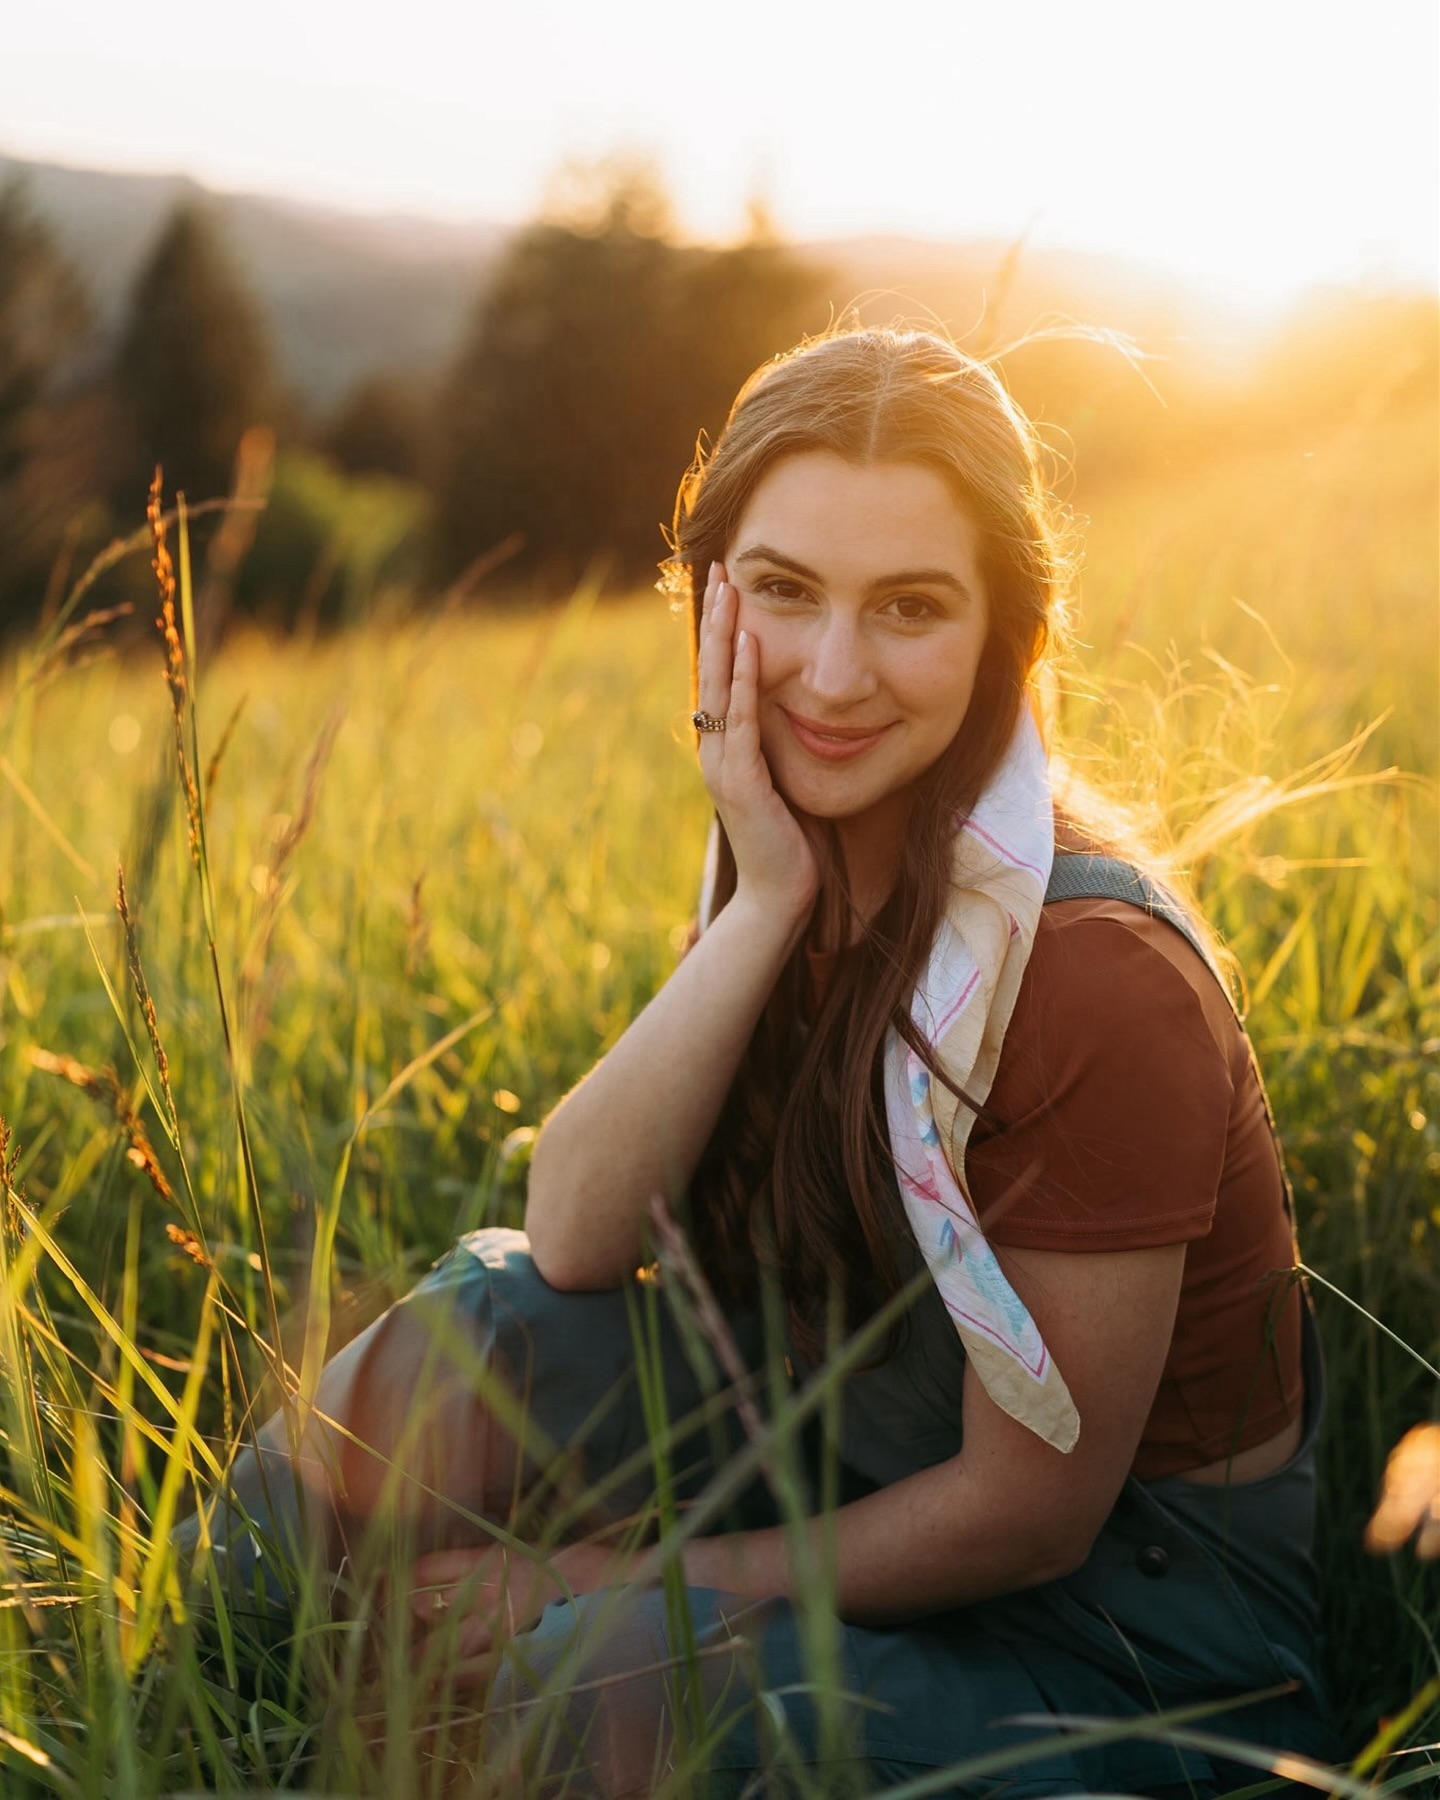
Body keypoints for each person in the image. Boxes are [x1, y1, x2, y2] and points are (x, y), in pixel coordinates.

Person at [180, 328, 1333, 1796]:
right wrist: (769, 902)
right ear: (711, 597)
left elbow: (1030, 1513)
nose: (834, 677)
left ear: (1009, 632)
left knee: (597, 1675)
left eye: (910, 606)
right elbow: (574, 1236)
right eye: (786, 591)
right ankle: (186, 1699)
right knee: (466, 1335)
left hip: (1126, 1652)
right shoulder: (792, 858)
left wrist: (599, 1579)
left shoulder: (1093, 975)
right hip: (852, 1459)